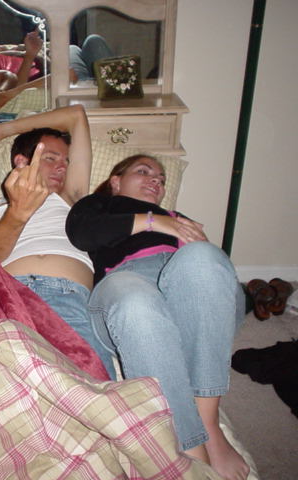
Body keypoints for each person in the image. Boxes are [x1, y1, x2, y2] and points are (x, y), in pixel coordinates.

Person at [65, 154, 250, 480]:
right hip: (126, 281)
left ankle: (208, 423)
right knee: (133, 297)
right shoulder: (101, 205)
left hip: (188, 292)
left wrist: (191, 244)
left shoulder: (180, 218)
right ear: (116, 182)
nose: (156, 181)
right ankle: (187, 443)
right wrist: (155, 222)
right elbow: (83, 234)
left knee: (203, 255)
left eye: (162, 179)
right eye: (144, 171)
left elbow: (216, 286)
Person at [0, 105, 116, 379]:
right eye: (50, 158)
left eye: (66, 161)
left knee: (94, 388)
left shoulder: (70, 199)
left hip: (67, 299)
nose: (62, 166)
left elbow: (76, 116)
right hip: (9, 299)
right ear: (21, 161)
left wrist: (3, 130)